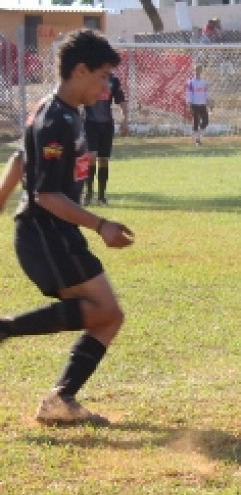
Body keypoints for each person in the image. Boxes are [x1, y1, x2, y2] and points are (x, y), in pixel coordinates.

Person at [0, 29, 134, 426]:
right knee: (104, 312)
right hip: (45, 233)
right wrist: (101, 224)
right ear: (80, 70)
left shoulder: (59, 110)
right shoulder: (55, 119)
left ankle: (60, 399)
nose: (107, 86)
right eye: (103, 76)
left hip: (56, 232)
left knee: (108, 315)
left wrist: (2, 195)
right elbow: (46, 196)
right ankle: (9, 335)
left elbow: (20, 158)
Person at [82, 70, 127, 206]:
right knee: (91, 156)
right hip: (90, 123)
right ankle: (89, 193)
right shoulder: (89, 77)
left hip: (106, 125)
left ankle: (101, 197)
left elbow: (121, 100)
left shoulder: (113, 80)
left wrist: (125, 119)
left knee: (104, 160)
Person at [186, 65, 209, 146]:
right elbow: (189, 93)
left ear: (201, 71)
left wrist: (208, 101)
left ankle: (197, 134)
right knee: (196, 121)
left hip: (202, 104)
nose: (197, 72)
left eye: (199, 70)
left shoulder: (204, 82)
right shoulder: (191, 82)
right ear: (194, 71)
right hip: (194, 104)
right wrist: (189, 104)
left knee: (205, 121)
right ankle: (197, 140)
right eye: (196, 70)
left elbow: (206, 92)